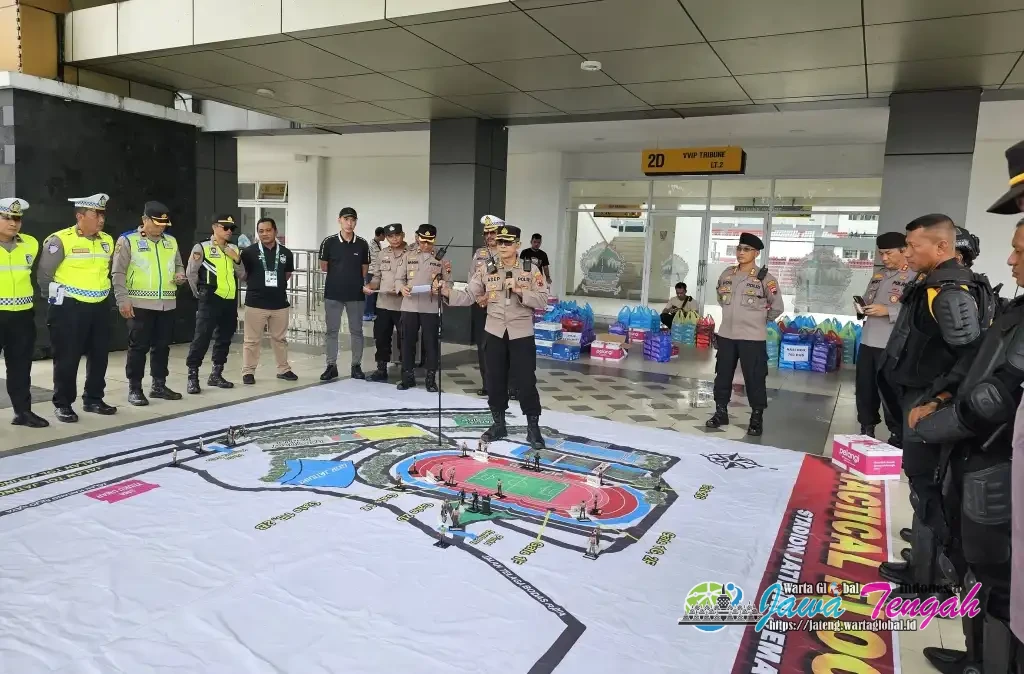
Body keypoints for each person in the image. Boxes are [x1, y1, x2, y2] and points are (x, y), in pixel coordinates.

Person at [912, 219, 1024, 673]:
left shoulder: (952, 288)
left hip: (994, 454)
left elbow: (996, 394)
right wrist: (941, 399)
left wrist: (943, 424)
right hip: (977, 449)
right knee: (978, 562)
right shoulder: (1017, 307)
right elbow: (979, 363)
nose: (1011, 259)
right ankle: (977, 658)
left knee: (997, 575)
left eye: (1019, 250)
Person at [877, 214, 986, 593]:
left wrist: (938, 399)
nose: (907, 252)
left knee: (931, 490)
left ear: (942, 246)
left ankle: (935, 579)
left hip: (929, 402)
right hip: (918, 397)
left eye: (913, 246)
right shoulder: (931, 282)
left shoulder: (950, 290)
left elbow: (972, 355)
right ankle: (923, 566)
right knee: (924, 488)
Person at [438, 224, 548, 449]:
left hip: (521, 333)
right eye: (500, 242)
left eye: (508, 243)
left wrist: (519, 290)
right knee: (494, 380)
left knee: (526, 381)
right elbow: (470, 295)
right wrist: (446, 291)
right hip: (494, 331)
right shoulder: (487, 268)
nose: (503, 246)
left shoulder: (531, 269)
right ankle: (499, 423)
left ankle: (533, 427)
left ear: (518, 244)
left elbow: (543, 301)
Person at [37, 193, 117, 422]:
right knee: (67, 358)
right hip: (69, 308)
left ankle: (93, 399)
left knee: (99, 356)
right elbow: (44, 275)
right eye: (96, 214)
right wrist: (56, 300)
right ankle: (63, 403)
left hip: (99, 306)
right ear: (80, 216)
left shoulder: (107, 240)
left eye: (103, 214)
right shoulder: (60, 240)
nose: (101, 219)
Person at [705, 233, 784, 436]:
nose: (741, 253)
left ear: (756, 253)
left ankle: (756, 417)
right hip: (727, 335)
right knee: (722, 376)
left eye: (746, 249)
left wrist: (759, 320)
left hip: (752, 338)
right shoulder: (727, 274)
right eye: (739, 248)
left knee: (755, 378)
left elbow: (777, 307)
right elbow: (721, 297)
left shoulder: (765, 278)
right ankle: (720, 412)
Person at [111, 201, 186, 406]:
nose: (161, 227)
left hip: (167, 303)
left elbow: (178, 264)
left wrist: (180, 274)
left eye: (164, 224)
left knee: (162, 347)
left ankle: (159, 385)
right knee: (138, 347)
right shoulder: (128, 240)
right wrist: (122, 300)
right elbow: (118, 272)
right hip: (139, 304)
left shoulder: (170, 241)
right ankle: (134, 388)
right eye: (157, 223)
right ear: (144, 220)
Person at [854, 232, 910, 442]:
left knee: (892, 391)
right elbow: (870, 299)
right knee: (865, 389)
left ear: (904, 250)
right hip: (868, 340)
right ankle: (866, 428)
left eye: (888, 253)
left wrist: (888, 311)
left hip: (892, 345)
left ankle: (897, 434)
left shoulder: (916, 275)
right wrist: (863, 308)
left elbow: (914, 310)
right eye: (881, 254)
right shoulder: (878, 275)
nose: (884, 258)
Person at [185, 214, 246, 394]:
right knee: (202, 337)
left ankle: (216, 374)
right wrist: (200, 294)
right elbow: (191, 274)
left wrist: (236, 258)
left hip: (229, 300)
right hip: (210, 299)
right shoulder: (202, 247)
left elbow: (242, 275)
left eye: (231, 229)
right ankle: (192, 376)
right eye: (225, 227)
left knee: (224, 338)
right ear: (214, 227)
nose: (228, 232)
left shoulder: (234, 248)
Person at [0, 198, 47, 428]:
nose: (13, 223)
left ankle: (23, 412)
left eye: (17, 218)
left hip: (22, 315)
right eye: (7, 218)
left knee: (20, 367)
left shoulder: (30, 243)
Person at [239, 217, 297, 385]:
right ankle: (248, 372)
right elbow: (243, 275)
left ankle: (283, 369)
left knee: (280, 339)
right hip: (255, 303)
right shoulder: (249, 252)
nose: (264, 234)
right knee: (251, 340)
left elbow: (287, 275)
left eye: (268, 230)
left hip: (279, 303)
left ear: (275, 231)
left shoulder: (286, 253)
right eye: (261, 231)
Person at [395, 224, 450, 392]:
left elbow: (449, 282)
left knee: (431, 343)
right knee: (407, 342)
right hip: (409, 306)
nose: (425, 245)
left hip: (430, 307)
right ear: (417, 238)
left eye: (429, 242)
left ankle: (430, 378)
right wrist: (401, 288)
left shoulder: (441, 260)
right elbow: (399, 278)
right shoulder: (408, 255)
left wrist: (441, 286)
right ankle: (407, 377)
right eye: (422, 241)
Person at [318, 206, 370, 381]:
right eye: (346, 219)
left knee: (356, 331)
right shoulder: (329, 242)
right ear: (339, 220)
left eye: (353, 220)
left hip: (355, 295)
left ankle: (356, 365)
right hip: (333, 293)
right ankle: (331, 365)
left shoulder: (362, 243)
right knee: (331, 331)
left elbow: (364, 269)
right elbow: (324, 266)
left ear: (356, 222)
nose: (349, 223)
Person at [364, 223, 407, 383]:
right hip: (383, 304)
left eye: (397, 235)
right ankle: (381, 369)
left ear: (403, 235)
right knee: (381, 338)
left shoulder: (411, 254)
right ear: (386, 238)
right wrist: (370, 286)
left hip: (404, 304)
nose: (394, 239)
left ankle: (406, 371)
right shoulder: (382, 254)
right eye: (390, 236)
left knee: (405, 339)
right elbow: (376, 278)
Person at [471, 215, 501, 396]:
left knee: (503, 346)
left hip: (500, 306)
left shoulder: (508, 254)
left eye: (493, 233)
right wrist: (477, 297)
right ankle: (487, 384)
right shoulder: (479, 254)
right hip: (481, 306)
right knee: (483, 346)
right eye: (486, 233)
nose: (489, 236)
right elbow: (472, 278)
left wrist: (490, 296)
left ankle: (509, 386)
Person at [364, 226, 385, 321]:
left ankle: (373, 312)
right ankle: (367, 313)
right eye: (384, 235)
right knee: (370, 294)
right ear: (380, 234)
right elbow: (376, 259)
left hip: (376, 273)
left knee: (375, 294)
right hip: (371, 272)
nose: (385, 238)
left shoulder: (378, 244)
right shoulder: (372, 244)